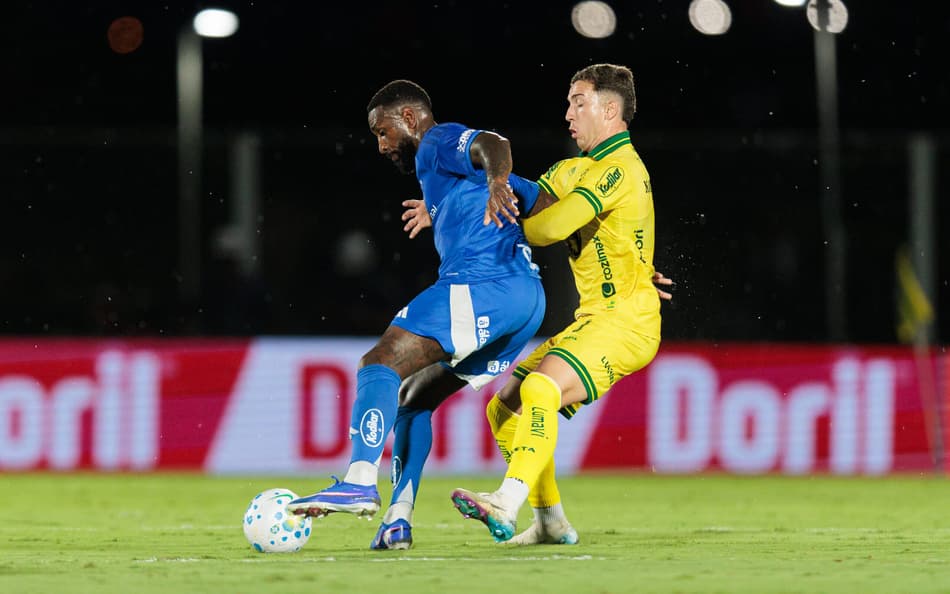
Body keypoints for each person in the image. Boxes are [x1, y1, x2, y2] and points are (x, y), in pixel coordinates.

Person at [286, 80, 547, 551]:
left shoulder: (434, 141)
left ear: (408, 118)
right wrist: (445, 208)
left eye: (382, 132)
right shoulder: (445, 177)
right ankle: (397, 519)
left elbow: (494, 144)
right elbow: (543, 204)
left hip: (482, 285)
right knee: (413, 398)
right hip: (524, 303)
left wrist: (495, 179)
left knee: (379, 362)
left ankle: (360, 479)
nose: (381, 145)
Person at [450, 63, 664, 544]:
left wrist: (511, 231)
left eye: (579, 102)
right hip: (594, 320)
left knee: (541, 391)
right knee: (503, 408)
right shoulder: (575, 168)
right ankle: (549, 521)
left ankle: (506, 499)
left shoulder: (619, 168)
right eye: (568, 101)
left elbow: (547, 226)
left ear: (610, 109)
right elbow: (526, 194)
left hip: (627, 324)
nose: (568, 113)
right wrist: (447, 202)